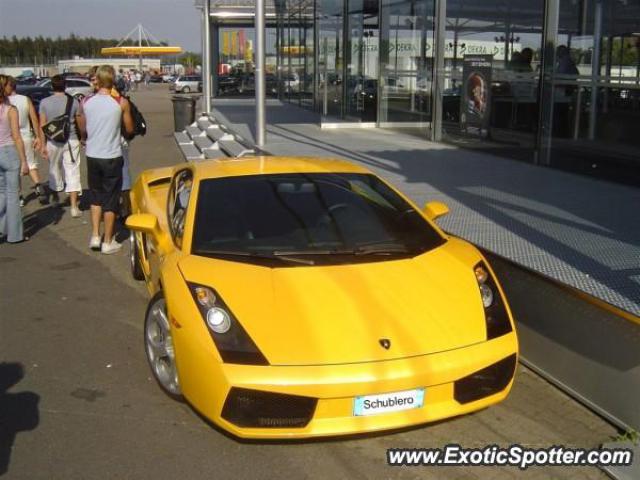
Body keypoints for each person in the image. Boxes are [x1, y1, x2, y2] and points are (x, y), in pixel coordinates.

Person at [76, 65, 134, 254]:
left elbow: (82, 125)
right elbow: (130, 129)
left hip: (92, 154)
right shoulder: (120, 102)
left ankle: (95, 235)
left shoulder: (86, 101)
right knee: (111, 199)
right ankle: (108, 241)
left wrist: (85, 136)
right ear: (113, 79)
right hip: (111, 155)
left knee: (95, 196)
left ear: (97, 79)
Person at [39, 75, 82, 216]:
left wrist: (42, 144)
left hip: (53, 141)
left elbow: (42, 126)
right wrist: (84, 137)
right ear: (65, 86)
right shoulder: (74, 101)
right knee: (72, 171)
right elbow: (79, 122)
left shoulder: (44, 102)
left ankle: (56, 197)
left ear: (52, 86)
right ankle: (74, 206)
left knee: (54, 168)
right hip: (71, 139)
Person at [4, 76, 47, 205]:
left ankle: (19, 196)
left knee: (14, 168)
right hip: (27, 136)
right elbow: (34, 118)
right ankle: (38, 185)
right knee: (31, 164)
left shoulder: (5, 103)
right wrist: (38, 136)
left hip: (11, 138)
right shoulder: (25, 99)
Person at [0, 75, 29, 244]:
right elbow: (17, 137)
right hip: (8, 151)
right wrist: (24, 160)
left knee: (2, 192)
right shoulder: (10, 110)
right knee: (12, 195)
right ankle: (15, 234)